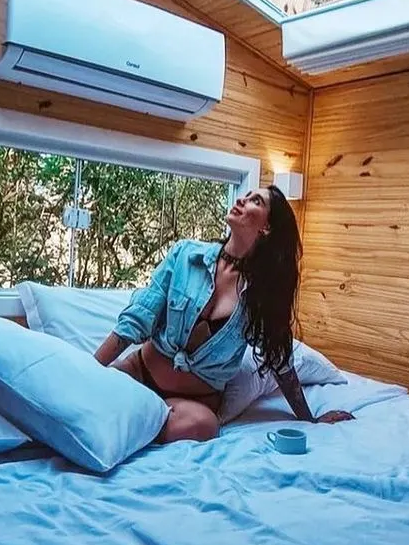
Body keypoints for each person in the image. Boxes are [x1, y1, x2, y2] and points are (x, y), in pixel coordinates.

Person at [94, 184, 353, 444]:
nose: (241, 200)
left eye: (256, 201)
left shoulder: (261, 297)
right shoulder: (186, 255)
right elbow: (137, 318)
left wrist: (309, 419)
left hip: (193, 403)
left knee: (204, 426)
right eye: (246, 195)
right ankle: (136, 420)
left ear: (266, 228)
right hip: (140, 372)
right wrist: (91, 369)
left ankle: (131, 424)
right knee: (93, 395)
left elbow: (280, 363)